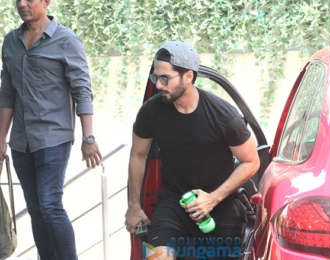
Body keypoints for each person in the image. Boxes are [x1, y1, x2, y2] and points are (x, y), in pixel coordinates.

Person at [125, 41, 260, 260]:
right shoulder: (151, 112)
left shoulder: (223, 115)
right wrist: (133, 206)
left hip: (221, 206)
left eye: (165, 78)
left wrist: (213, 198)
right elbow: (138, 155)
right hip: (173, 204)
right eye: (155, 77)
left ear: (188, 76)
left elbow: (251, 161)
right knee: (155, 257)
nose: (158, 85)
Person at [0, 0, 102, 259]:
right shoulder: (10, 42)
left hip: (53, 138)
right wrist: (1, 138)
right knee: (35, 208)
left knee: (49, 205)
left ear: (46, 2)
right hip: (21, 141)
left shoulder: (67, 41)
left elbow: (82, 90)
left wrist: (88, 136)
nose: (22, 4)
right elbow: (7, 94)